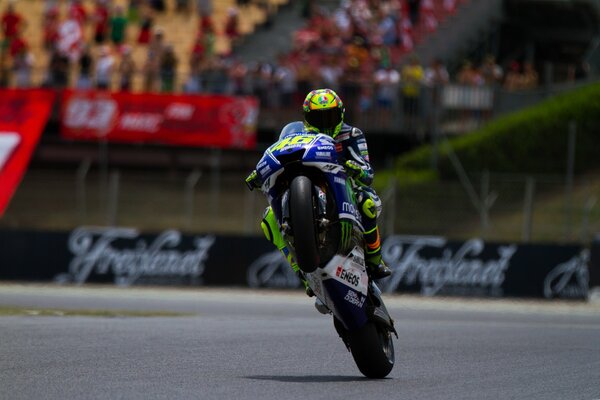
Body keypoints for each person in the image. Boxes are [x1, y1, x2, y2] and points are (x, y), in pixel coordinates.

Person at [245, 88, 392, 293]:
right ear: (307, 118)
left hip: (347, 186)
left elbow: (368, 173)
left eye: (329, 116)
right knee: (268, 220)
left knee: (366, 201)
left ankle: (376, 260)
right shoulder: (297, 133)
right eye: (317, 117)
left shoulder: (352, 134)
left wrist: (355, 168)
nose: (324, 122)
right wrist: (260, 172)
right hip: (310, 175)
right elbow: (280, 150)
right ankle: (300, 271)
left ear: (340, 114)